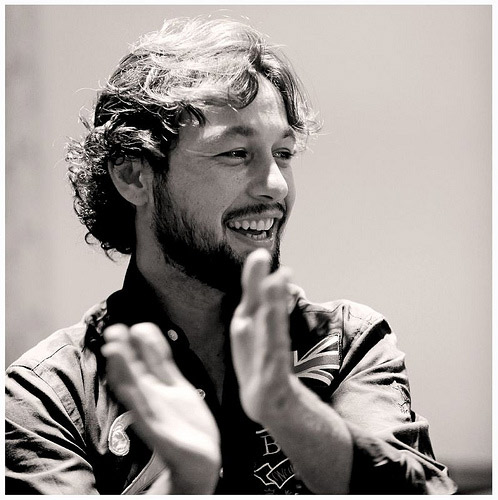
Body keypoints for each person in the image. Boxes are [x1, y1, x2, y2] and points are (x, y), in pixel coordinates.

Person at [5, 16, 458, 495]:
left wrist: (286, 408)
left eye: (283, 153)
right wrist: (184, 481)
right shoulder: (48, 395)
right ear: (134, 176)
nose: (276, 186)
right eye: (236, 153)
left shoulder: (348, 344)